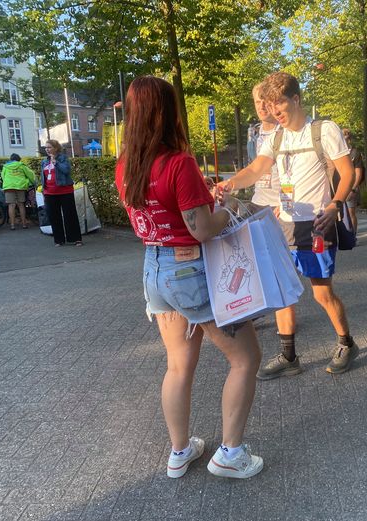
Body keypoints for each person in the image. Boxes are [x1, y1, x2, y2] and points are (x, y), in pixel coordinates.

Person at [115, 76, 263, 480]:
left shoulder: (126, 165)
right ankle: (230, 454)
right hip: (191, 271)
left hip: (154, 269)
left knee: (178, 366)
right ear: (168, 112)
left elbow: (155, 217)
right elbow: (201, 228)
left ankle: (179, 452)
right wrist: (231, 207)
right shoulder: (179, 163)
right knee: (246, 358)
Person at [218, 71, 359, 377]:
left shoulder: (323, 130)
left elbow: (347, 173)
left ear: (296, 99)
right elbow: (257, 169)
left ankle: (347, 343)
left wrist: (335, 205)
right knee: (282, 290)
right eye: (270, 106)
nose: (275, 112)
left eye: (279, 104)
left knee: (321, 293)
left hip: (317, 223)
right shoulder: (277, 136)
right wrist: (230, 184)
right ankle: (288, 356)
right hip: (284, 223)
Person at [41, 140, 83, 246]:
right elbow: (43, 176)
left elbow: (67, 171)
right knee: (54, 217)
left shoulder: (63, 158)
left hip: (65, 191)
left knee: (70, 215)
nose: (47, 149)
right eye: (46, 147)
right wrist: (43, 189)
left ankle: (75, 238)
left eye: (49, 147)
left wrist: (56, 163)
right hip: (50, 193)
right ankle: (59, 240)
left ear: (56, 148)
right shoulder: (44, 161)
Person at [249, 82, 280, 213]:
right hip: (257, 203)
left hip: (279, 205)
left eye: (265, 101)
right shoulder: (253, 134)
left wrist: (286, 204)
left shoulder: (286, 132)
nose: (261, 106)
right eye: (257, 102)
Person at [1, 153, 35, 230]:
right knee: (21, 204)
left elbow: (3, 176)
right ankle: (24, 224)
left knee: (11, 205)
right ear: (19, 159)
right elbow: (30, 175)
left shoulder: (5, 167)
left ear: (11, 159)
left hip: (9, 187)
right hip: (20, 187)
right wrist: (33, 183)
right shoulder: (22, 165)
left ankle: (12, 225)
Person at [342, 128, 364, 233]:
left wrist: (353, 189)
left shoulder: (355, 153)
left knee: (351, 213)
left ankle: (353, 236)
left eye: (345, 138)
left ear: (349, 139)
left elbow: (358, 173)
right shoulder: (339, 153)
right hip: (339, 187)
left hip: (351, 188)